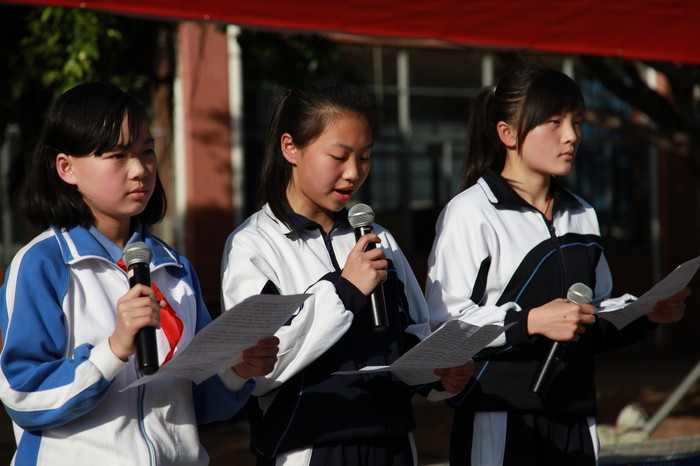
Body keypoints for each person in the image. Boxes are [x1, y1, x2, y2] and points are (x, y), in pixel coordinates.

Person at [424, 64, 690, 466]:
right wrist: (530, 322)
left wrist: (647, 313)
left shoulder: (582, 213)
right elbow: (444, 324)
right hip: (500, 415)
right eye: (554, 121)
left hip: (576, 415)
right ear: (507, 133)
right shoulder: (470, 213)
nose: (571, 136)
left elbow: (595, 313)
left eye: (577, 122)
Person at [0, 82, 279, 465]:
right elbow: (24, 396)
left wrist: (236, 371)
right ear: (67, 168)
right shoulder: (43, 264)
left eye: (147, 151)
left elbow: (195, 403)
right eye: (117, 155)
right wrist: (113, 350)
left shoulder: (175, 269)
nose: (140, 170)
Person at [220, 78, 473, 466]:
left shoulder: (378, 237)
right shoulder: (254, 245)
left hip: (393, 443)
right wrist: (345, 291)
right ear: (290, 148)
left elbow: (413, 335)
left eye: (365, 157)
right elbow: (261, 367)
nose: (354, 172)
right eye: (339, 157)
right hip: (308, 447)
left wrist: (440, 374)